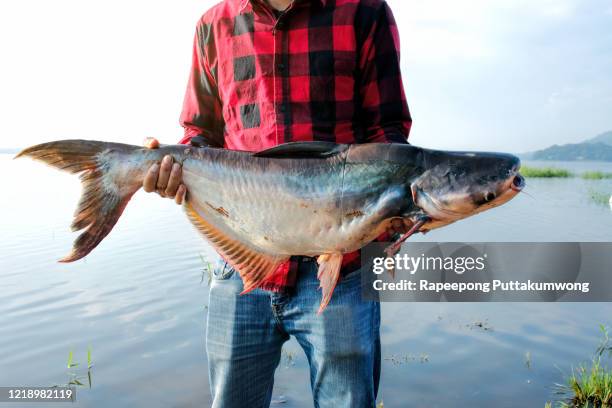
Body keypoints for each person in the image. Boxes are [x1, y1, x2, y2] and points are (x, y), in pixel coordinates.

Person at [143, 0, 412, 406]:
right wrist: (174, 167)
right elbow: (201, 132)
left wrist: (396, 201)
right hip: (240, 257)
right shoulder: (213, 24)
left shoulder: (363, 12)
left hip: (345, 266)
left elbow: (386, 132)